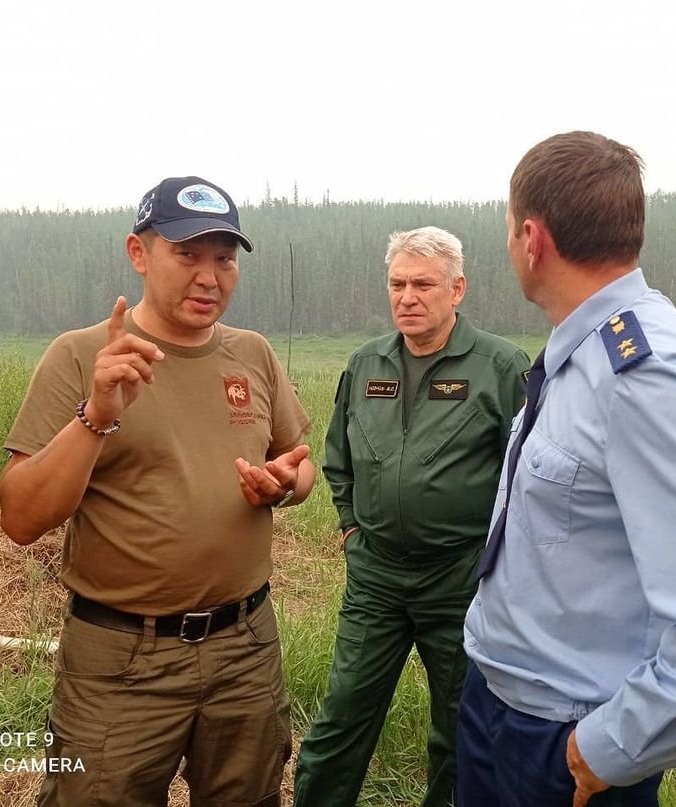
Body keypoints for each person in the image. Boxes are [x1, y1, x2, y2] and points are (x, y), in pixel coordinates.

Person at [458, 132, 676, 807]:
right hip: (500, 698)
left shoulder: (644, 374)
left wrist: (608, 745)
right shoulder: (583, 348)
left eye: (508, 230)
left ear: (531, 238)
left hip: (565, 732)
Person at [0, 175, 315, 807]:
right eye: (187, 254)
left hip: (245, 646)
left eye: (224, 259)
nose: (209, 276)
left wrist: (283, 485)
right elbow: (21, 516)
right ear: (139, 254)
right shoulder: (82, 356)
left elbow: (300, 467)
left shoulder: (252, 354)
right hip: (120, 659)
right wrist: (97, 413)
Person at [294, 226, 530, 807]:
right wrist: (351, 527)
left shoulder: (500, 366)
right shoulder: (365, 363)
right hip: (376, 575)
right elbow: (338, 460)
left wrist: (494, 559)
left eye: (423, 284)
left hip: (460, 578)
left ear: (457, 290)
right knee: (344, 712)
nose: (407, 296)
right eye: (397, 283)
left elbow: (526, 476)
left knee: (458, 721)